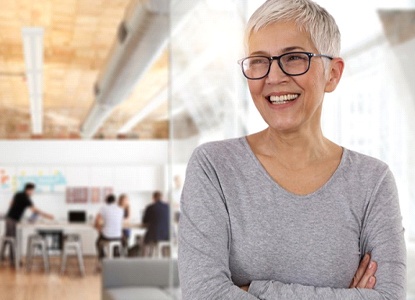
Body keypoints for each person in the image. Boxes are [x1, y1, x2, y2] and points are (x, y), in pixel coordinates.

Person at [178, 0, 406, 299]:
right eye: (259, 60)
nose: (273, 77)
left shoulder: (372, 181)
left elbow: (389, 296)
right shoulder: (214, 167)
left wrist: (257, 290)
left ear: (333, 74)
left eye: (294, 57)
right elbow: (204, 294)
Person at [1, 183, 54, 264]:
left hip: (9, 218)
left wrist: (16, 211)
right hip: (13, 220)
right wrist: (47, 215)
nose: (32, 192)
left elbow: (11, 203)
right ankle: (13, 260)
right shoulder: (26, 198)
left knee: (8, 238)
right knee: (12, 239)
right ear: (29, 190)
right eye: (32, 191)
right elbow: (34, 210)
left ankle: (2, 257)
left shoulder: (18, 194)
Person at [95, 194, 124, 260]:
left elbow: (97, 220)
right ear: (115, 201)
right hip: (118, 236)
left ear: (106, 201)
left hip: (107, 236)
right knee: (119, 241)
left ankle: (103, 259)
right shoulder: (121, 209)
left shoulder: (103, 208)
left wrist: (99, 230)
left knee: (97, 243)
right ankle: (116, 257)